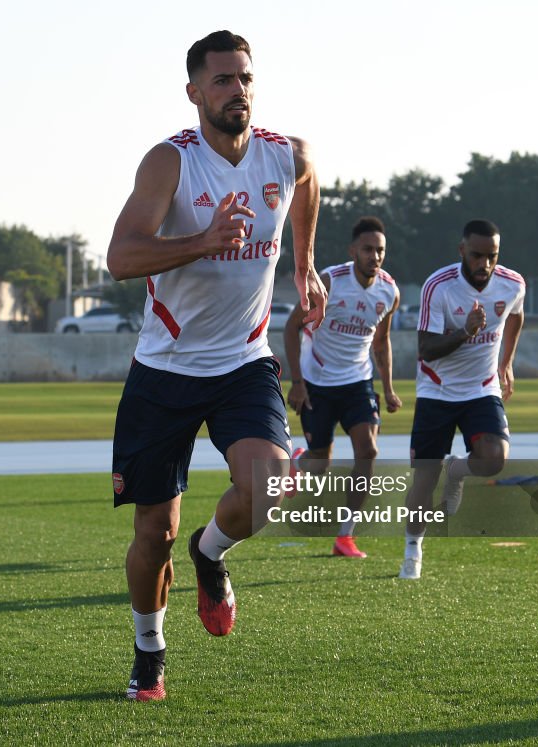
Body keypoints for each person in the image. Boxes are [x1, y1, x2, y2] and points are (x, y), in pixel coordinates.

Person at [107, 30, 327, 701]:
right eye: (224, 80)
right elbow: (120, 258)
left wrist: (304, 260)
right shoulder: (169, 163)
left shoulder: (283, 156)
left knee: (270, 485)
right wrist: (202, 240)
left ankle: (210, 553)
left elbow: (308, 180)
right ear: (195, 91)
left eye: (247, 78)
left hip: (243, 361)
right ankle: (150, 651)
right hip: (165, 369)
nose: (240, 91)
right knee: (154, 532)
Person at [398, 219, 525, 580]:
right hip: (436, 389)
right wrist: (466, 331)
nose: (484, 264)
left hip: (481, 388)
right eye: (476, 255)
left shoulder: (512, 283)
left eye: (492, 256)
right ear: (461, 251)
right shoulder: (438, 286)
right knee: (423, 477)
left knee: (494, 459)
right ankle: (412, 549)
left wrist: (507, 364)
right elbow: (425, 350)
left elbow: (516, 316)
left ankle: (457, 470)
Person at [284, 216, 401, 558]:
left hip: (357, 383)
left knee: (368, 452)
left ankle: (345, 536)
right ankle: (299, 462)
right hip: (317, 383)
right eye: (368, 249)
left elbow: (382, 341)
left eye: (380, 250)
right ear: (353, 251)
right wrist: (297, 382)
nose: (374, 256)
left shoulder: (389, 291)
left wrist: (389, 388)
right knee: (320, 464)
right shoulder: (329, 281)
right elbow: (293, 328)